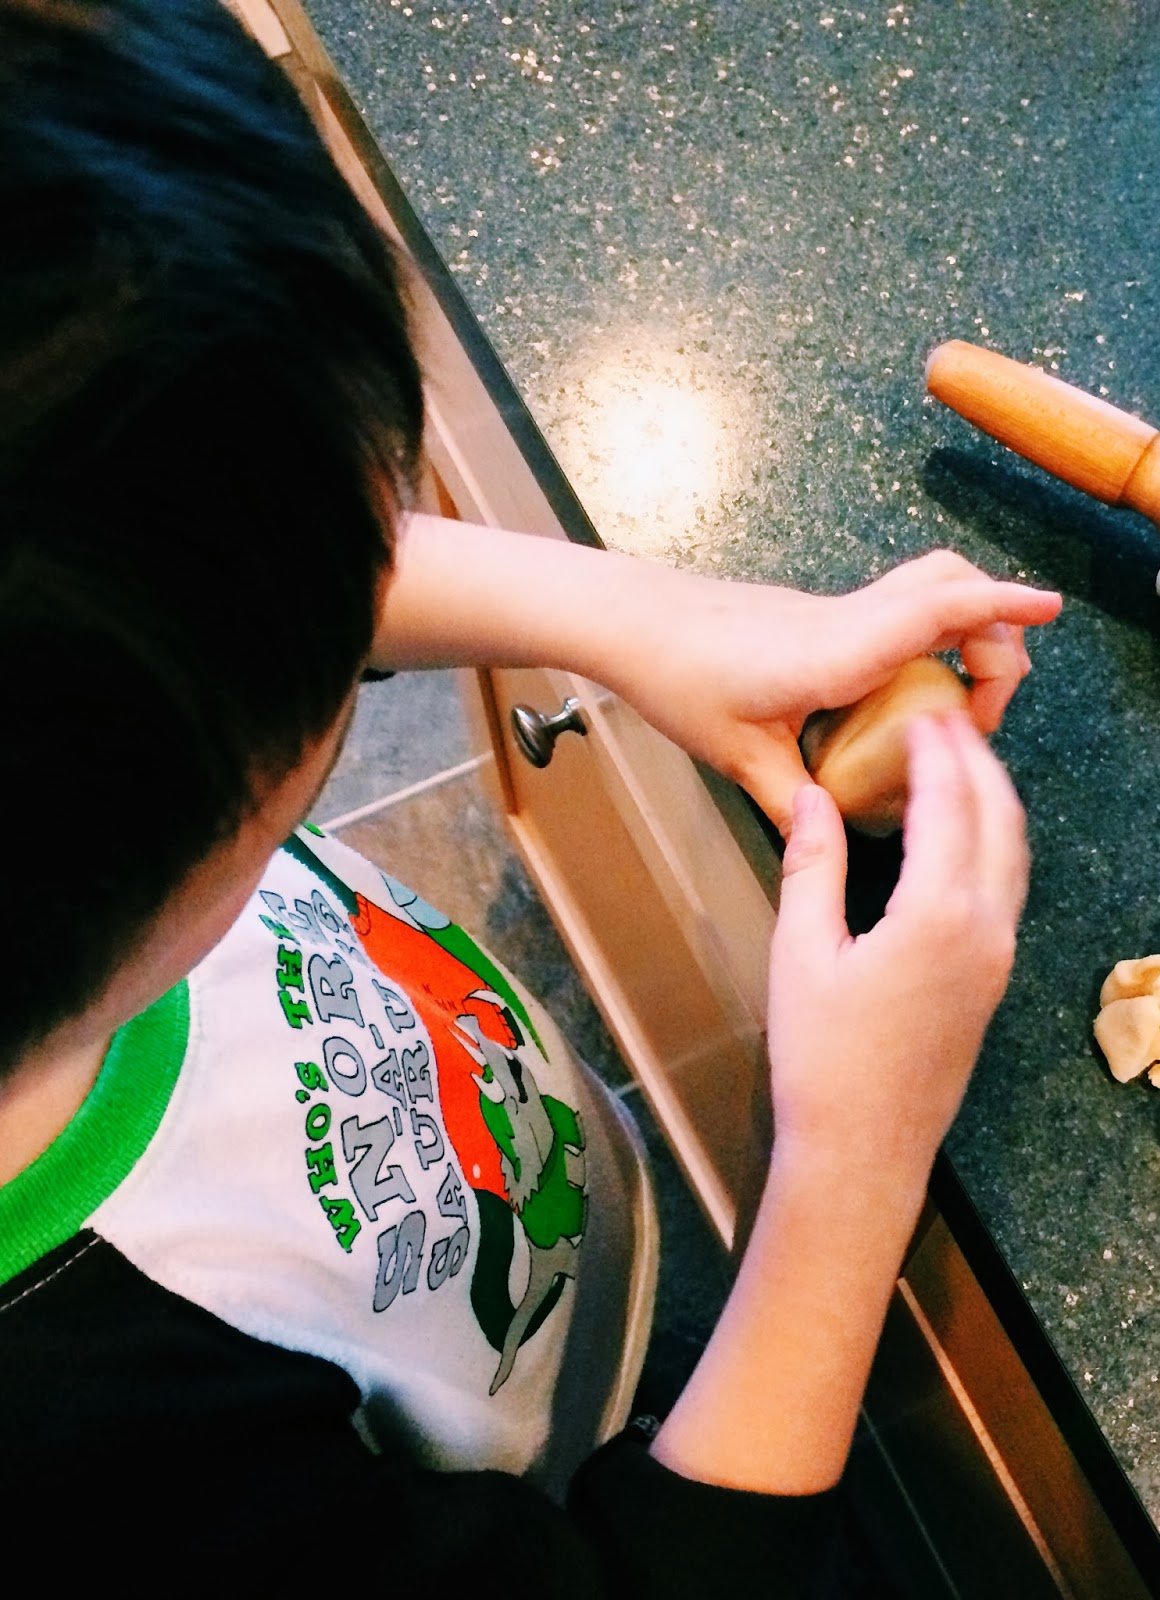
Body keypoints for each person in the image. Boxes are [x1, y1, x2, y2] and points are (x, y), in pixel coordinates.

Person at [0, 0, 1061, 1588]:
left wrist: (628, 614)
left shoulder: (63, 784)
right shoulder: (104, 1493)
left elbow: (165, 556)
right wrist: (851, 1169)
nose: (381, 555)